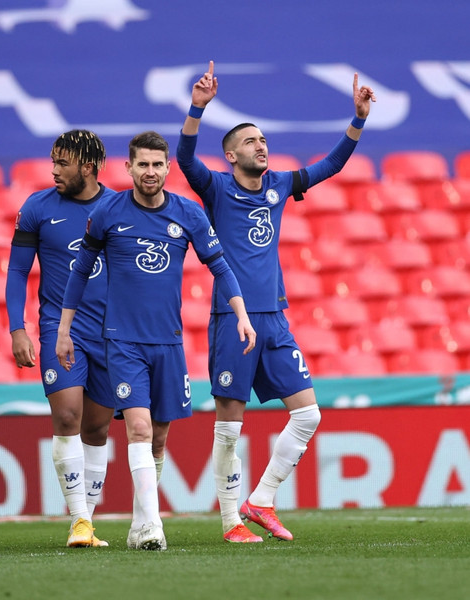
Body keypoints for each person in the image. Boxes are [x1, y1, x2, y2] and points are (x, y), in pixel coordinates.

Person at [176, 61, 376, 543]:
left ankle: (261, 500)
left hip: (275, 318)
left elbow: (329, 167)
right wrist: (196, 108)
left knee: (309, 414)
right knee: (230, 425)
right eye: (250, 141)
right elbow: (184, 160)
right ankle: (229, 524)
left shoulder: (280, 185)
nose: (260, 145)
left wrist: (358, 120)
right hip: (232, 318)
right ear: (229, 155)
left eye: (263, 139)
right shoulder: (217, 188)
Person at [56, 131, 256, 551]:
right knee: (140, 428)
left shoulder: (189, 214)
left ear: (168, 168)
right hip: (122, 341)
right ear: (128, 168)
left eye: (157, 164)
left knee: (159, 437)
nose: (150, 172)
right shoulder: (108, 213)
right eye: (142, 164)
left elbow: (220, 266)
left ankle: (137, 524)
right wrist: (64, 329)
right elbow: (79, 273)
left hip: (168, 342)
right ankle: (151, 527)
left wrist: (241, 313)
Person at [6, 130, 115, 547]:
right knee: (68, 416)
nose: (53, 170)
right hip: (60, 328)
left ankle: (87, 518)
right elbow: (17, 272)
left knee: (98, 428)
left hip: (112, 331)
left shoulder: (118, 206)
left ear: (87, 167)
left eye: (62, 163)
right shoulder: (37, 207)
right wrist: (18, 329)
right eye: (53, 161)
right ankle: (80, 521)